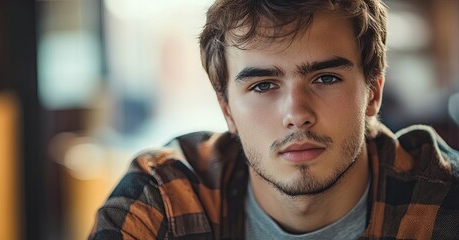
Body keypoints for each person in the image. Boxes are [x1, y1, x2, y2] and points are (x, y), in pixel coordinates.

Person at [89, 0, 459, 239]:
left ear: (373, 93)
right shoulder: (167, 196)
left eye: (325, 78)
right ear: (227, 110)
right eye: (264, 85)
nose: (297, 114)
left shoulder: (443, 199)